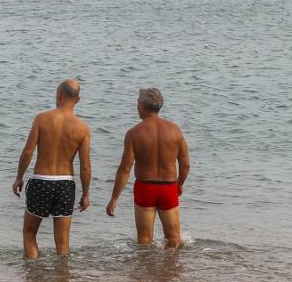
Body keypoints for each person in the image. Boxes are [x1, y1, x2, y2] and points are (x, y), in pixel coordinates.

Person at [12, 79, 92, 259]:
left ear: (58, 95)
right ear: (78, 100)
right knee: (63, 242)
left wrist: (19, 177)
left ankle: (33, 275)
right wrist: (85, 194)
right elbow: (85, 165)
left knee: (30, 233)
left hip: (41, 181)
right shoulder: (83, 128)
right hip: (65, 184)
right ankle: (62, 280)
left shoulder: (42, 119)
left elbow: (28, 152)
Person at [106, 87, 190, 248]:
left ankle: (145, 272)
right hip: (168, 188)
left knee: (144, 241)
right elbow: (185, 164)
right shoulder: (175, 131)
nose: (137, 105)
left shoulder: (134, 133)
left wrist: (114, 198)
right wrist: (179, 184)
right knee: (173, 239)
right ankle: (171, 271)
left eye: (138, 102)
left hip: (145, 188)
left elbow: (125, 169)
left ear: (143, 106)